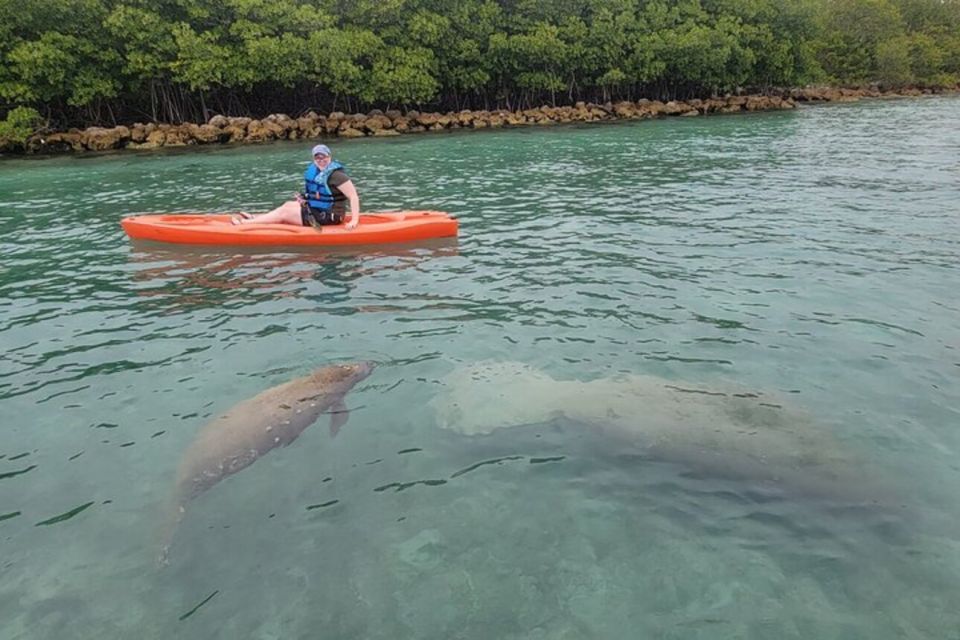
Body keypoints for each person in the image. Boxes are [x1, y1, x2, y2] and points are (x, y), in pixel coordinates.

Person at [232, 144, 360, 230]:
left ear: (329, 157)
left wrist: (354, 220)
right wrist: (305, 199)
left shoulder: (337, 175)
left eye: (324, 157)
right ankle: (258, 219)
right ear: (314, 159)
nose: (321, 160)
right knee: (288, 205)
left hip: (331, 216)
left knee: (285, 213)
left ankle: (245, 225)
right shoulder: (316, 171)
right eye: (317, 157)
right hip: (319, 211)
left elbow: (353, 196)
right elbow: (318, 196)